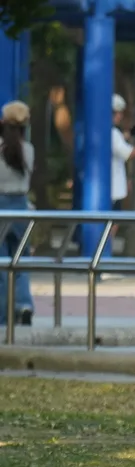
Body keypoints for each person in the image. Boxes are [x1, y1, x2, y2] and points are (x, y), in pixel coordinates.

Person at [0, 101, 35, 326]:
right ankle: (24, 305)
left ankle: (3, 314)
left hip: (0, 206)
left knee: (2, 265)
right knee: (21, 261)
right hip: (21, 205)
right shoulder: (29, 150)